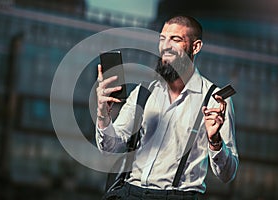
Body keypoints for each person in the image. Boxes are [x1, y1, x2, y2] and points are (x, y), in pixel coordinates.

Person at [96, 15, 239, 200]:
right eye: (162, 39)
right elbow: (110, 149)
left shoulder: (215, 100)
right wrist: (103, 116)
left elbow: (227, 174)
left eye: (176, 39)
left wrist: (215, 141)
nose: (165, 46)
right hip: (130, 192)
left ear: (195, 47)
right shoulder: (144, 91)